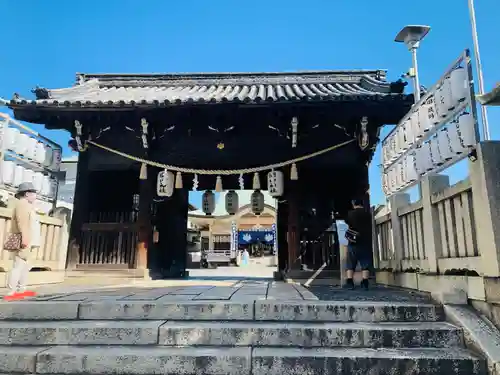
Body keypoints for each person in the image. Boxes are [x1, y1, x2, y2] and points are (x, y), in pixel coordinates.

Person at [3, 182, 40, 301]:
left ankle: (21, 289)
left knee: (24, 265)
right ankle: (12, 290)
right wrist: (25, 238)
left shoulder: (27, 205)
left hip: (29, 239)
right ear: (27, 193)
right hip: (24, 239)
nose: (35, 195)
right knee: (18, 265)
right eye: (33, 193)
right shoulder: (22, 205)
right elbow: (22, 223)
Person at [344, 198, 372, 290]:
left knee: (351, 262)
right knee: (365, 263)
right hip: (365, 241)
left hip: (353, 241)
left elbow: (347, 223)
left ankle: (350, 282)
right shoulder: (368, 214)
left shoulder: (350, 214)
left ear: (353, 204)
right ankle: (365, 282)